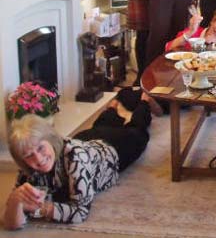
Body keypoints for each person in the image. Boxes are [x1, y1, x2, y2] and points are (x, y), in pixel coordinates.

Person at [3, 90, 152, 229]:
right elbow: (11, 223)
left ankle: (144, 101)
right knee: (99, 126)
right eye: (29, 155)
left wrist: (43, 208)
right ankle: (111, 109)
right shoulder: (28, 170)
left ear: (50, 139)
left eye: (40, 148)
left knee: (137, 131)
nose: (38, 158)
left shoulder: (75, 158)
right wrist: (16, 201)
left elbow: (80, 212)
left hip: (112, 148)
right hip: (86, 139)